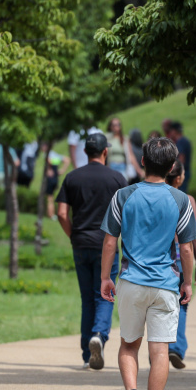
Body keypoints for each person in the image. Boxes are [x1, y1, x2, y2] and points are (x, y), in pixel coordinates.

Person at [100, 137, 196, 390]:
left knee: (129, 345)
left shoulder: (123, 196)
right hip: (166, 285)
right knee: (159, 352)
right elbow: (187, 249)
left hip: (131, 282)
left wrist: (106, 277)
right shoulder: (181, 200)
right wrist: (187, 282)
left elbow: (109, 241)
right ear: (171, 167)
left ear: (142, 162)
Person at [57, 133, 127, 369]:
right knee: (105, 294)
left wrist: (73, 235)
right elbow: (127, 215)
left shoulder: (72, 178)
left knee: (87, 298)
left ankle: (88, 354)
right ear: (105, 151)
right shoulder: (117, 178)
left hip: (80, 244)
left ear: (85, 152)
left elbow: (61, 213)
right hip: (106, 245)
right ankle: (99, 334)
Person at [164, 161, 196, 369]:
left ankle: (158, 351)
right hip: (181, 257)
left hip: (161, 258)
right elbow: (192, 235)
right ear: (178, 178)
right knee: (182, 304)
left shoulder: (158, 196)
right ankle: (176, 348)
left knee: (160, 306)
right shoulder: (188, 200)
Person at [41, 142, 70, 220]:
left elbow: (49, 161)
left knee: (49, 197)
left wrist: (49, 169)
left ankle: (51, 215)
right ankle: (51, 214)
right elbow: (67, 160)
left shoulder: (47, 154)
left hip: (50, 179)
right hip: (55, 178)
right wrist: (62, 170)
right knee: (51, 197)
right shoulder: (54, 154)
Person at [167, 121, 192, 193]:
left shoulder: (181, 142)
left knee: (180, 193)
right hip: (185, 172)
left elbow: (181, 158)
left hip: (181, 173)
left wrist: (175, 171)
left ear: (174, 131)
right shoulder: (185, 140)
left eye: (171, 131)